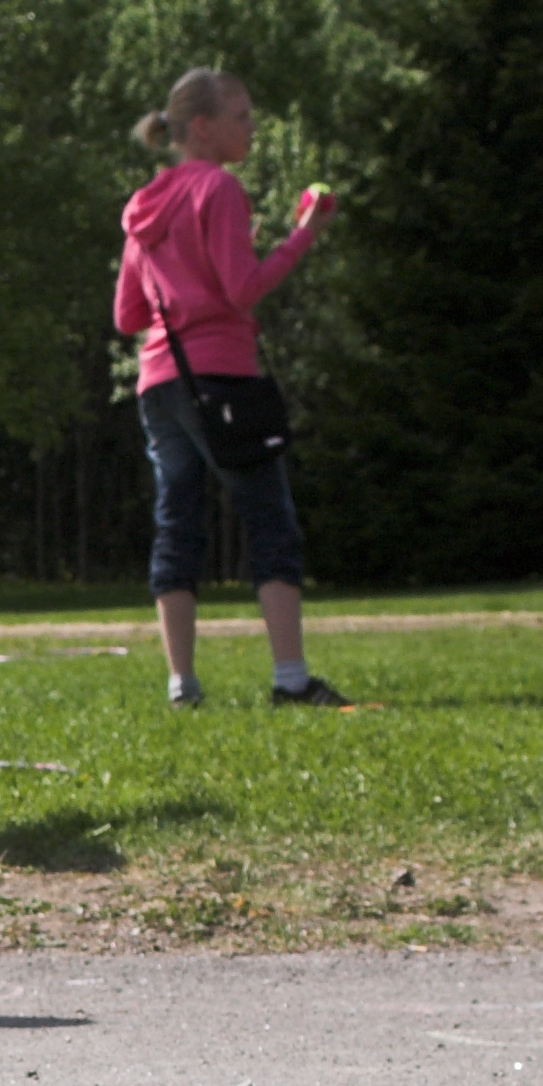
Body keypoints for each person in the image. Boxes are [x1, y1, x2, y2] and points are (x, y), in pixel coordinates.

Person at [114, 67, 342, 711]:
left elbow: (127, 318)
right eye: (242, 117)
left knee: (176, 523)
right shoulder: (217, 189)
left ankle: (182, 684)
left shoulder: (144, 209)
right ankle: (291, 678)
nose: (251, 128)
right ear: (205, 127)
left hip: (160, 382)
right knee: (268, 517)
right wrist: (304, 234)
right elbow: (242, 288)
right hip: (222, 375)